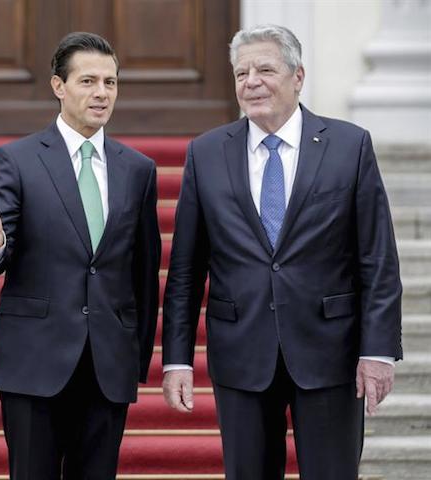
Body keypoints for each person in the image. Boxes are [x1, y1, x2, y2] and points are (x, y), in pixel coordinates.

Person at [162, 24, 402, 479]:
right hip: (241, 351)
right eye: (240, 73)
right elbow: (186, 270)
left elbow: (377, 259)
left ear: (298, 76)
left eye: (265, 69)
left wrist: (379, 350)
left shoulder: (349, 146)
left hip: (330, 352)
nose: (251, 81)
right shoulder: (207, 153)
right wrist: (177, 359)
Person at [0, 31, 161, 480]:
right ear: (59, 86)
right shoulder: (16, 160)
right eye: (88, 81)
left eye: (110, 83)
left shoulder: (138, 169)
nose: (101, 93)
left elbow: (143, 271)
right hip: (33, 361)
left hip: (108, 364)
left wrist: (136, 356)